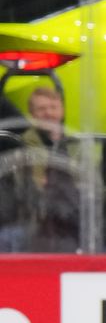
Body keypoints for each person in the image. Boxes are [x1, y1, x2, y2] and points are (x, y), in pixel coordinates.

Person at [0, 82, 87, 253]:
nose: (48, 113)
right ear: (32, 114)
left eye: (53, 107)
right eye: (41, 109)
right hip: (32, 218)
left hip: (72, 217)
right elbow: (29, 184)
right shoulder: (22, 143)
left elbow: (88, 181)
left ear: (62, 110)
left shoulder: (77, 144)